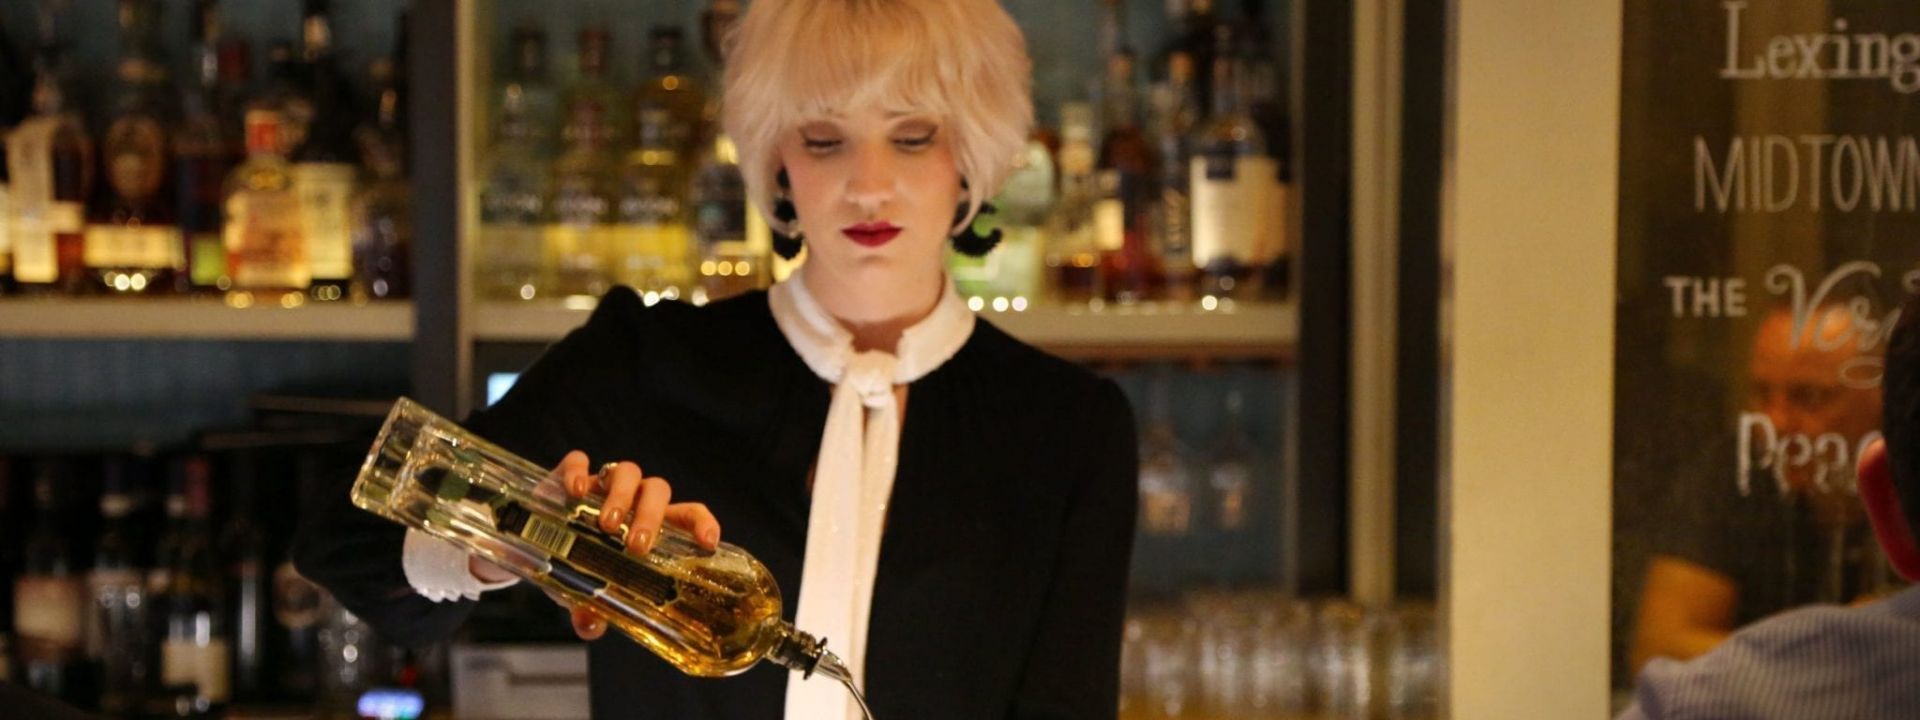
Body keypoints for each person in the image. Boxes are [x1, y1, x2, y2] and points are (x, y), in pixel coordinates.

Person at [293, 1, 1139, 718]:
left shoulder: (1068, 429)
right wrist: (512, 535)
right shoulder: (639, 364)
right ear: (775, 163)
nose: (868, 185)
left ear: (972, 161)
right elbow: (340, 541)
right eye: (824, 140)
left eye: (913, 138)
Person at [1617, 293, 1920, 719]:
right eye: (1761, 393)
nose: (1775, 422)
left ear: (1881, 399)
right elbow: (1660, 644)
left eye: (1809, 397)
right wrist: (1841, 643)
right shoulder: (1738, 471)